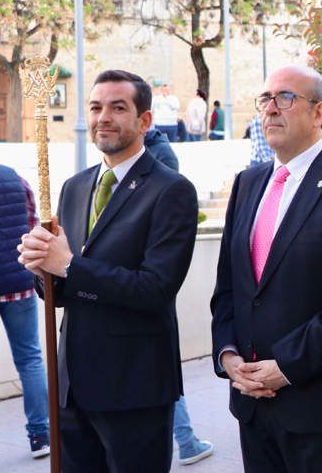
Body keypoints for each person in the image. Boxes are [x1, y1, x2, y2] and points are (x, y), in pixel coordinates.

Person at [17, 70, 199, 473]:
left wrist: (66, 264)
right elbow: (63, 290)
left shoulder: (171, 191)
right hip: (71, 387)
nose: (104, 117)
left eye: (119, 108)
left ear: (144, 120)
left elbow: (154, 288)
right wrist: (41, 267)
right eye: (96, 107)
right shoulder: (75, 187)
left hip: (134, 388)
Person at [210, 66, 322, 472]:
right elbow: (229, 288)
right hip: (253, 401)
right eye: (266, 99)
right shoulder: (247, 183)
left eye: (286, 98)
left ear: (319, 113)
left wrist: (286, 367)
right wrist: (228, 356)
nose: (272, 109)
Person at [0, 113, 49, 470]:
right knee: (31, 358)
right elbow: (34, 230)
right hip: (19, 284)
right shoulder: (15, 178)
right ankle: (42, 435)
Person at [142, 129, 214, 466]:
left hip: (150, 284)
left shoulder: (162, 162)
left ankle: (185, 439)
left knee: (161, 365)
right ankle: (186, 440)